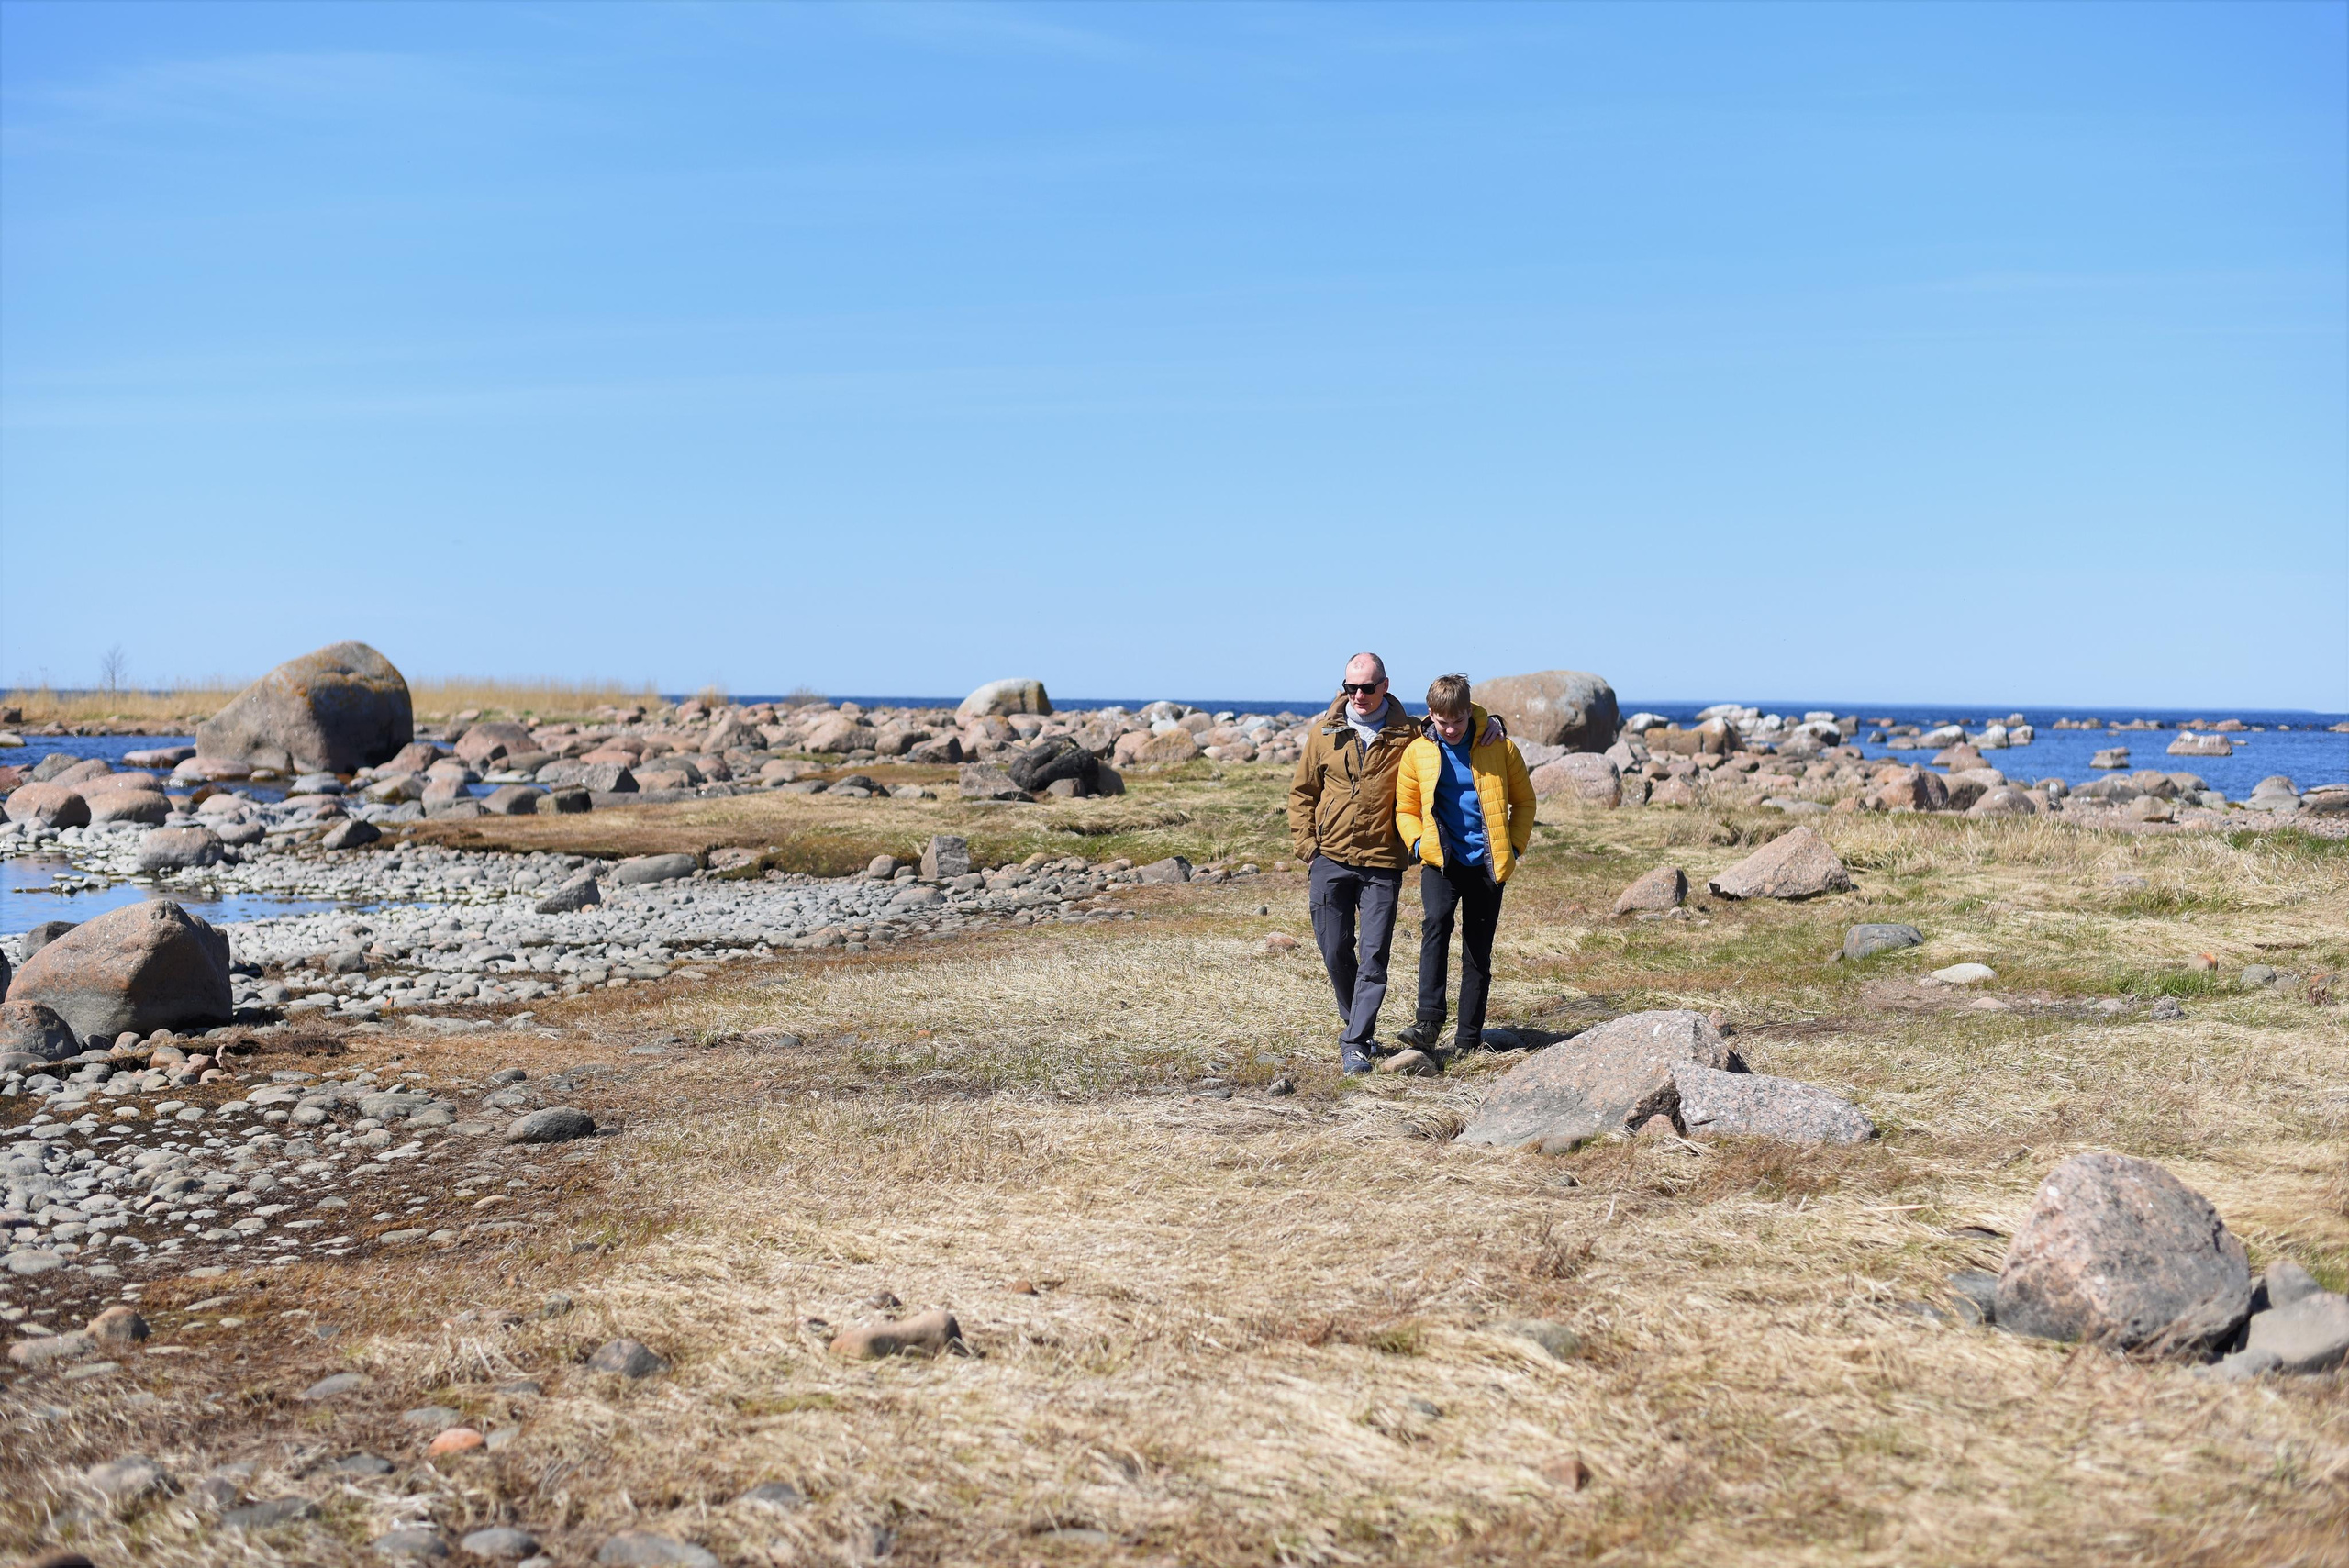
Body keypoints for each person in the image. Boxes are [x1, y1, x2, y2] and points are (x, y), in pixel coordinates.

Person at [1288, 654, 1502, 1073]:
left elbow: (1452, 716)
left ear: (1385, 685)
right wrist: (1308, 849)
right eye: (1351, 688)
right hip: (1329, 857)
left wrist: (1489, 720)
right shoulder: (1324, 733)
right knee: (1334, 951)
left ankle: (1356, 1042)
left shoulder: (1409, 732)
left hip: (1382, 863)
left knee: (1374, 957)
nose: (1359, 696)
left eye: (1368, 687)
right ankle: (1357, 1024)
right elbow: (1302, 794)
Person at [1393, 673, 1536, 1066]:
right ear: (1431, 716)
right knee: (1435, 925)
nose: (1451, 728)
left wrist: (1516, 846)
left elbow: (1525, 803)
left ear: (1469, 711)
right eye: (1443, 722)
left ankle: (1469, 1038)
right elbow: (1405, 808)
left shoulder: (1498, 746)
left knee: (1477, 951)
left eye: (1458, 720)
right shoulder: (1417, 752)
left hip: (1487, 866)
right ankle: (1427, 1024)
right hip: (1441, 861)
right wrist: (1418, 844)